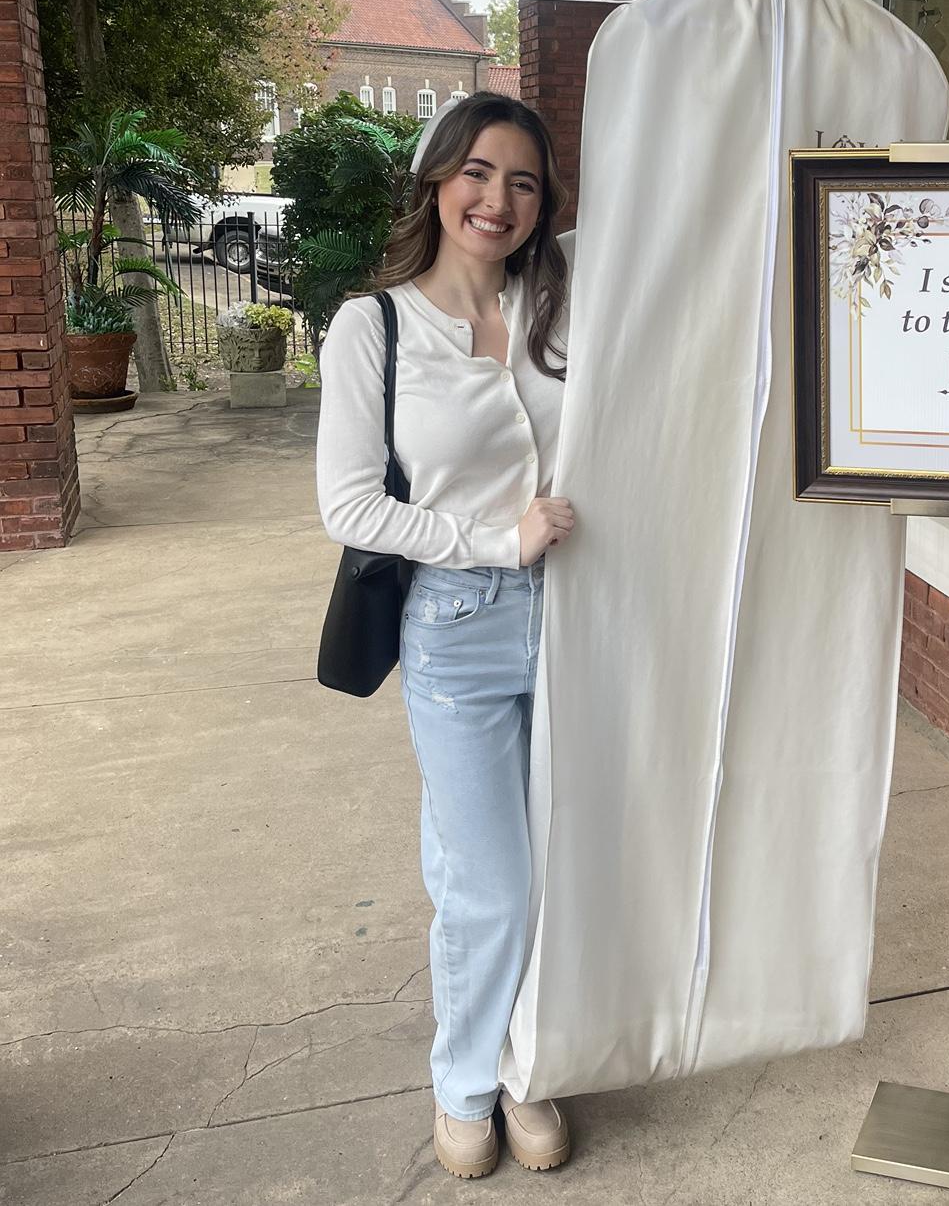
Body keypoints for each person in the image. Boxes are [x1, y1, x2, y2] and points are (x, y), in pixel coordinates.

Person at [315, 92, 577, 1180]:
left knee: (556, 865)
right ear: (436, 180)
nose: (497, 199)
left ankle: (531, 1063)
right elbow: (349, 506)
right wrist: (494, 541)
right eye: (477, 172)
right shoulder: (373, 326)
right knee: (489, 884)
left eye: (523, 182)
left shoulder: (561, 307)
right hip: (456, 628)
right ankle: (466, 1079)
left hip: (579, 619)